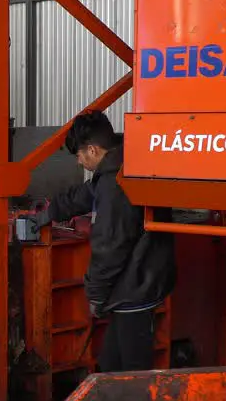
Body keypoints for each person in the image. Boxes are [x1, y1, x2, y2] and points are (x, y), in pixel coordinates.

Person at [30, 111, 176, 372]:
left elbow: (109, 246)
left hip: (135, 288)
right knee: (111, 364)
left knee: (133, 371)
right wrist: (49, 213)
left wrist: (95, 295)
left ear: (93, 149)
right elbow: (85, 195)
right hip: (136, 283)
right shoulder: (119, 167)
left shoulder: (114, 185)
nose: (78, 162)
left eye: (79, 155)